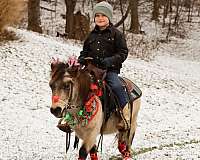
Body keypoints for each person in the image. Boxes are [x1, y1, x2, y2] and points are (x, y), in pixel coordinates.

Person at [78, 1, 129, 130]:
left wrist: (109, 61)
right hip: (91, 70)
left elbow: (123, 53)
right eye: (97, 15)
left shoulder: (116, 34)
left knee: (116, 86)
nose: (100, 18)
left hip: (109, 70)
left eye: (103, 16)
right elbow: (85, 51)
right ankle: (70, 117)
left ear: (109, 18)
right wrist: (82, 58)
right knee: (76, 85)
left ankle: (125, 115)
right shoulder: (91, 36)